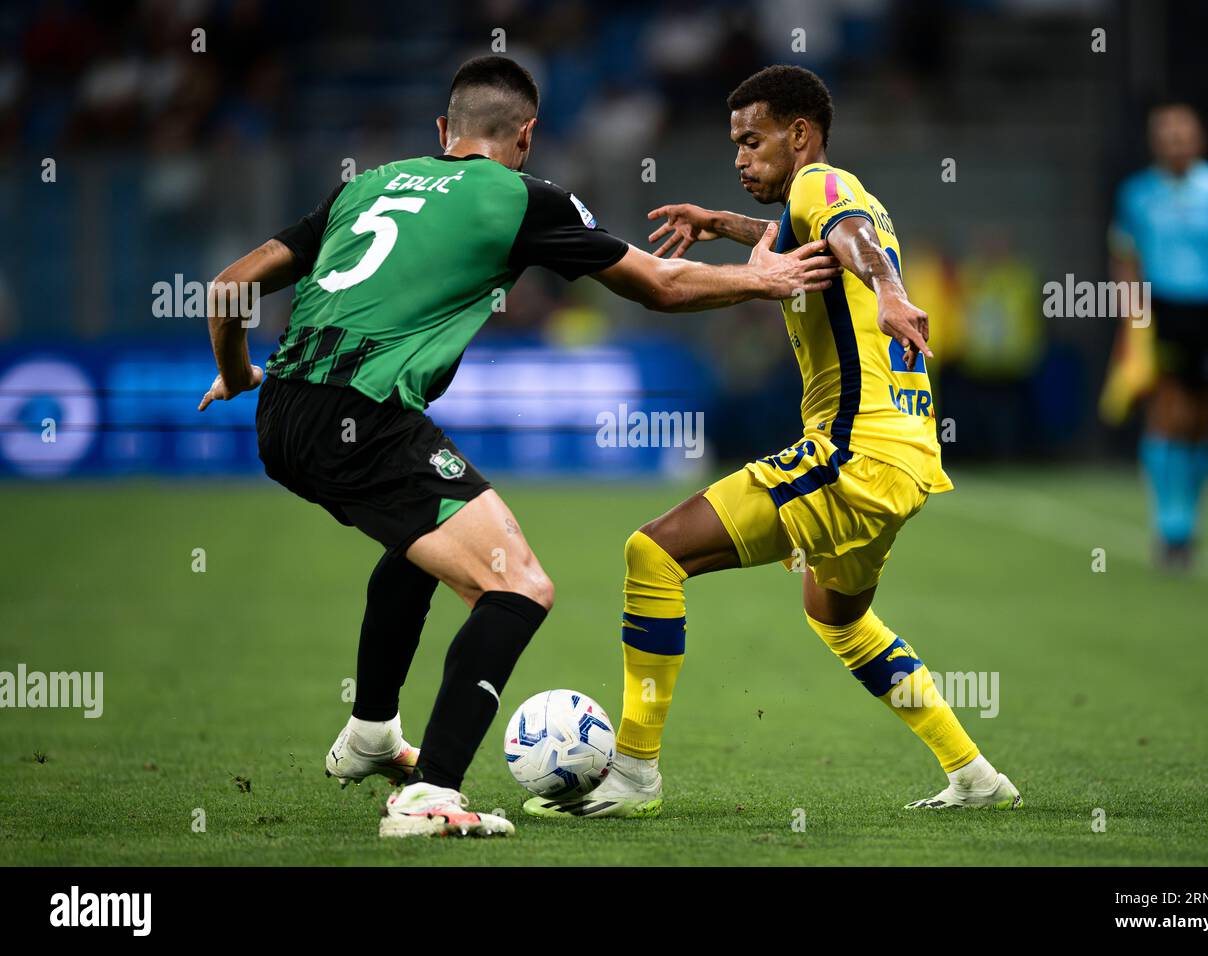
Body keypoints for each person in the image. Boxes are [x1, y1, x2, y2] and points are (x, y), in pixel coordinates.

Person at [197, 55, 839, 839]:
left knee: (417, 544)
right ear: (527, 137)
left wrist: (238, 374)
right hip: (362, 414)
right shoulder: (525, 198)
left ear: (443, 131)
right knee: (518, 587)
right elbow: (660, 284)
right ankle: (428, 793)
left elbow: (227, 287)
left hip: (286, 414)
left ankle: (371, 732)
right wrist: (760, 280)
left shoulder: (366, 184)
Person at [525, 65, 1021, 819]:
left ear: (799, 135)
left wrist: (888, 290)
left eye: (752, 141)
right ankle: (974, 774)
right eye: (734, 144)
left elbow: (846, 238)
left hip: (853, 454)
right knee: (838, 616)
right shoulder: (836, 198)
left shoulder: (820, 188)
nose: (740, 157)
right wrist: (723, 224)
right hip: (907, 457)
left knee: (651, 552)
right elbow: (813, 240)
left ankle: (633, 774)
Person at [1110, 102, 1208, 567]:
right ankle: (1169, 525)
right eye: (1167, 134)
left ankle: (1190, 519)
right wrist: (1130, 310)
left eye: (1184, 133)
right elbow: (1125, 258)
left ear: (1199, 139)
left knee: (1204, 415)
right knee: (1168, 408)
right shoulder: (1137, 194)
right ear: (1155, 141)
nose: (1176, 141)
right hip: (1163, 309)